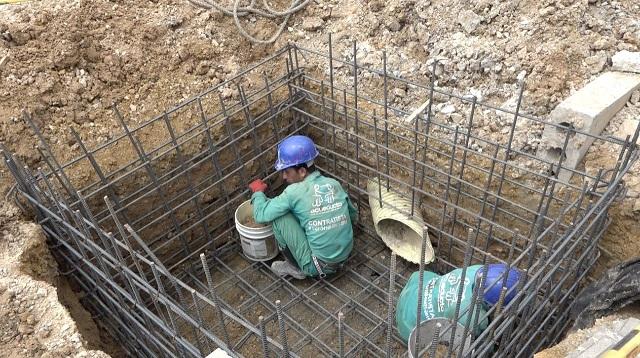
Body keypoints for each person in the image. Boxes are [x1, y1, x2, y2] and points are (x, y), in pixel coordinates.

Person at [248, 135, 358, 279]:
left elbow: (261, 214)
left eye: (287, 171)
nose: (284, 177)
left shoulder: (293, 192)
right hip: (344, 255)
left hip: (318, 266)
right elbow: (352, 215)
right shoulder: (333, 184)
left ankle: (295, 268)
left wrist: (258, 193)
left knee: (279, 217)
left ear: (302, 171)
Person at [395, 263, 522, 343]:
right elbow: (478, 339)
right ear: (491, 304)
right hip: (410, 322)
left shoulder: (477, 270)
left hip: (416, 288)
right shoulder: (472, 317)